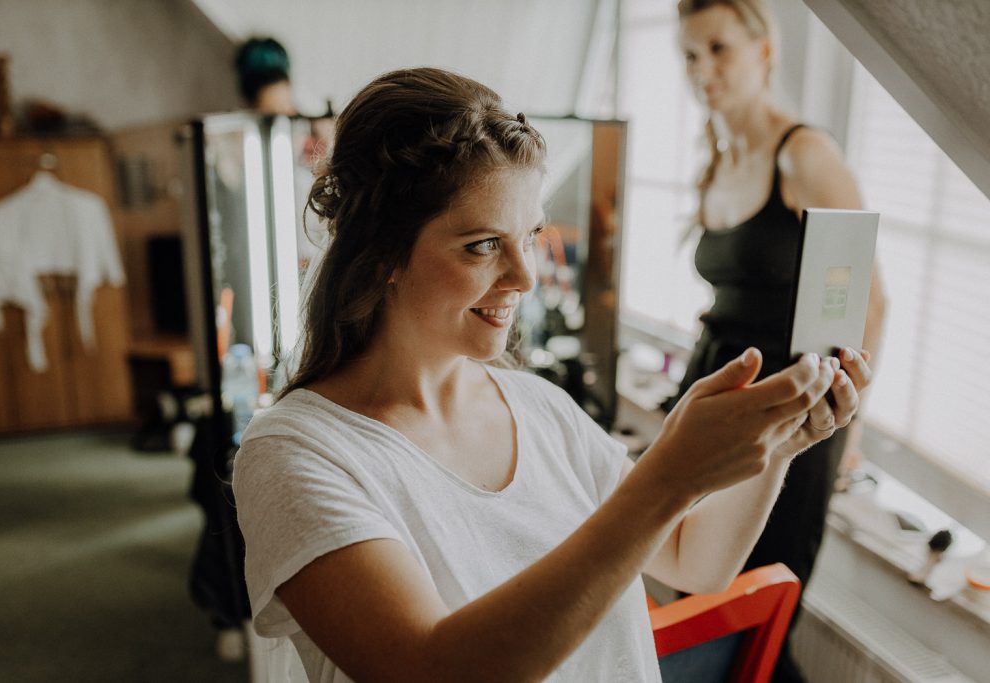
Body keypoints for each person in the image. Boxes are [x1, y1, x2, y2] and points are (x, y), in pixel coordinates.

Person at [232, 67, 872, 683]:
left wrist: (779, 446)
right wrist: (666, 477)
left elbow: (697, 559)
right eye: (483, 245)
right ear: (383, 256)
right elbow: (431, 670)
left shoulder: (538, 408)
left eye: (529, 236)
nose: (525, 277)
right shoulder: (296, 455)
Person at [670, 1, 887, 680]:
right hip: (711, 402)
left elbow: (870, 302)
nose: (704, 70)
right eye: (690, 55)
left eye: (719, 48)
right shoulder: (719, 156)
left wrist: (843, 434)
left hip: (785, 425)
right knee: (695, 602)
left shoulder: (805, 153)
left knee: (749, 621)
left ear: (765, 50)